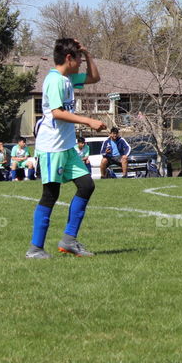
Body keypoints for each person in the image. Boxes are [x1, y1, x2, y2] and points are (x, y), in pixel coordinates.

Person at [26, 38, 105, 259]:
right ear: (69, 58)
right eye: (79, 58)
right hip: (52, 147)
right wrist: (88, 121)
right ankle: (35, 249)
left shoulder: (68, 79)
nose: (80, 63)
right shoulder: (54, 81)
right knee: (50, 195)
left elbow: (94, 78)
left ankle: (69, 240)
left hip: (67, 147)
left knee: (86, 185)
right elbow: (57, 113)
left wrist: (87, 54)